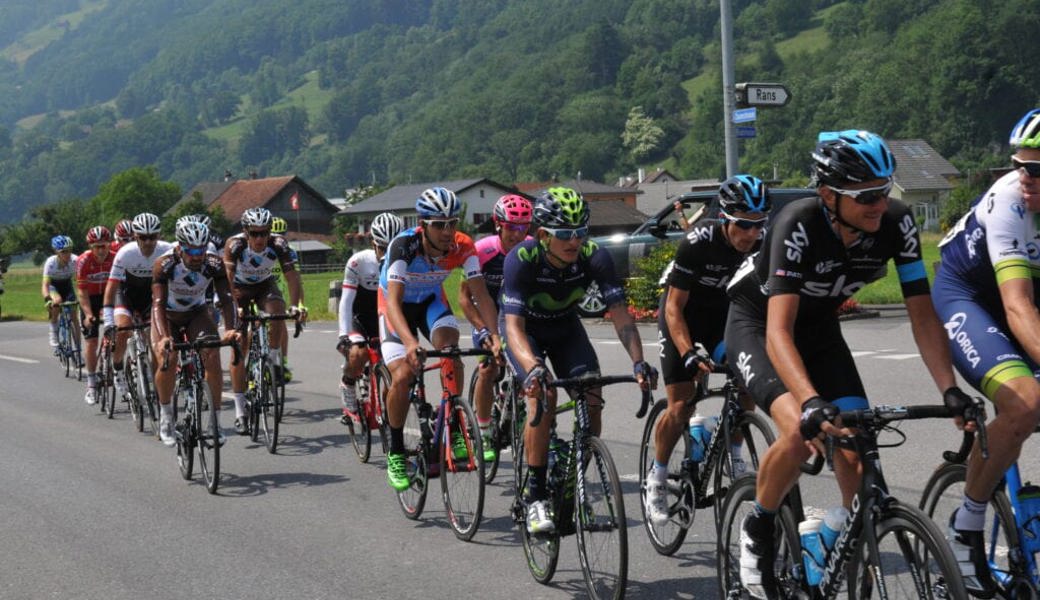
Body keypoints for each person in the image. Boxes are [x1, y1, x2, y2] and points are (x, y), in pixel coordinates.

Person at [725, 130, 967, 599]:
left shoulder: (897, 222)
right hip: (759, 326)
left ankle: (833, 538)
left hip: (818, 331)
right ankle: (759, 526)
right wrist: (811, 400)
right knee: (799, 429)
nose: (880, 203)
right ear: (828, 195)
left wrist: (949, 391)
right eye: (867, 196)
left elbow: (922, 314)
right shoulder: (796, 223)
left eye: (885, 190)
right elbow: (778, 332)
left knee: (855, 446)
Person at [500, 186, 657, 534]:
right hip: (526, 332)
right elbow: (513, 326)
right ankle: (536, 497)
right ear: (542, 235)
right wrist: (534, 368)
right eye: (566, 234)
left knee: (592, 396)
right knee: (544, 394)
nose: (575, 241)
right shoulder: (522, 259)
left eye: (581, 231)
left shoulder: (594, 257)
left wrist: (637, 362)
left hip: (565, 328)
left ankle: (572, 480)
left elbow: (620, 315)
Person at [930, 108, 1040, 596]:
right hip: (970, 296)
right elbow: (1017, 309)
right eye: (1021, 166)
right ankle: (966, 525)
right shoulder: (1009, 202)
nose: (1025, 178)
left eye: (1037, 170)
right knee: (1025, 402)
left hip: (1023, 296)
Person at [644, 175, 769, 525]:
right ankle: (657, 475)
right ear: (726, 218)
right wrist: (688, 353)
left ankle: (735, 453)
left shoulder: (763, 244)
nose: (752, 234)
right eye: (744, 225)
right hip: (683, 316)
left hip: (724, 319)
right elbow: (673, 309)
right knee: (681, 404)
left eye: (759, 225)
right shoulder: (698, 241)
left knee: (748, 380)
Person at [379, 187, 502, 492]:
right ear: (423, 224)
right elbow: (393, 303)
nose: (448, 231)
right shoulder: (404, 246)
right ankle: (395, 450)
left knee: (450, 350)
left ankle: (455, 423)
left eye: (453, 223)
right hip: (395, 309)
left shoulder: (463, 246)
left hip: (431, 302)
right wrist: (409, 343)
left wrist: (495, 335)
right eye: (439, 224)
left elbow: (481, 294)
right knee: (404, 374)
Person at [152, 220, 240, 446]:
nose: (196, 255)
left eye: (201, 249)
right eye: (191, 250)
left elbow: (228, 299)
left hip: (195, 312)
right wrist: (163, 337)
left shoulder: (213, 263)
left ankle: (215, 421)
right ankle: (166, 416)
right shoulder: (165, 264)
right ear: (180, 247)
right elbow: (158, 304)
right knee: (168, 358)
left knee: (211, 353)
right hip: (168, 315)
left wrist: (231, 329)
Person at [458, 194, 533, 462]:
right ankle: (484, 426)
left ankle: (518, 401)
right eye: (512, 227)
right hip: (484, 315)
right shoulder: (481, 251)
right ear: (498, 225)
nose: (518, 234)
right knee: (488, 367)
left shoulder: (531, 248)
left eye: (524, 228)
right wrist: (486, 331)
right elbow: (464, 299)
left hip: (513, 316)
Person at [223, 207, 306, 435]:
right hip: (238, 288)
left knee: (278, 311)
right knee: (238, 348)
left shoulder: (278, 244)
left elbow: (291, 277)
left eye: (264, 233)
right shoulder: (235, 245)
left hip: (264, 285)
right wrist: (235, 307)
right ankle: (240, 410)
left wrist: (296, 306)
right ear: (246, 232)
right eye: (255, 233)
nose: (260, 238)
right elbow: (226, 281)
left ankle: (270, 358)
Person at [337, 212, 403, 422]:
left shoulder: (404, 263)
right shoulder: (358, 262)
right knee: (358, 354)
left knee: (396, 374)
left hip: (386, 317)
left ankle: (389, 413)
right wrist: (343, 335)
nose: (386, 255)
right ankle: (348, 382)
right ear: (374, 244)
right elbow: (346, 301)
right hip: (361, 318)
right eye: (383, 248)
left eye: (392, 248)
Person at [102, 213, 172, 400]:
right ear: (135, 237)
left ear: (159, 235)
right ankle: (117, 369)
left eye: (153, 237)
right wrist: (108, 322)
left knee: (157, 344)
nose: (148, 242)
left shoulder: (167, 250)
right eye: (143, 237)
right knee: (123, 330)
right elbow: (111, 287)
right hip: (126, 296)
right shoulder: (126, 253)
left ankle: (159, 389)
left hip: (151, 298)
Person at [75, 226, 115, 405]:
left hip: (108, 298)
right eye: (97, 246)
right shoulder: (84, 261)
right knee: (91, 342)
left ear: (109, 244)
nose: (101, 250)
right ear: (91, 246)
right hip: (89, 300)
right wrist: (88, 314)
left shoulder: (115, 258)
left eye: (104, 246)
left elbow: (120, 288)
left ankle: (117, 369)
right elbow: (81, 292)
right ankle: (91, 383)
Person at [42, 235, 80, 349]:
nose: (67, 254)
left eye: (69, 250)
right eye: (64, 251)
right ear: (57, 252)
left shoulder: (75, 260)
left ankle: (78, 349)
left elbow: (80, 281)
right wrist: (47, 299)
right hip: (53, 286)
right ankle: (53, 329)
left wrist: (83, 297)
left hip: (67, 285)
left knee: (74, 318)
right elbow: (45, 285)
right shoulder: (51, 263)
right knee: (57, 301)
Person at [269, 216, 294, 381]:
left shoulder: (288, 251)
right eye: (275, 234)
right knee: (255, 324)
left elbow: (294, 279)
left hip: (279, 293)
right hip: (259, 292)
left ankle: (282, 362)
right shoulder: (262, 250)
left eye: (282, 234)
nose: (279, 238)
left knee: (281, 324)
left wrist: (297, 304)